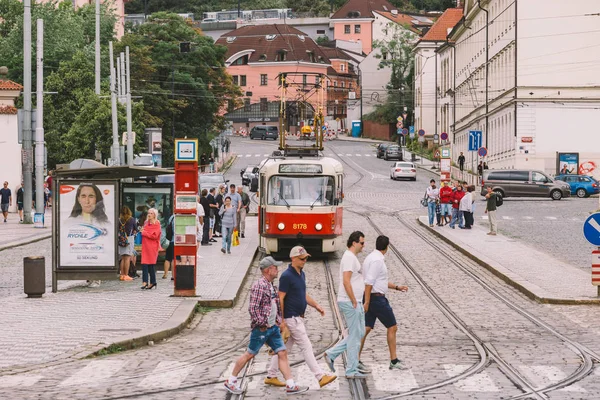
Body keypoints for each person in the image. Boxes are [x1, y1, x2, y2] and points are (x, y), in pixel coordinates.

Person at [224, 257, 309, 395]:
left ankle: (290, 384)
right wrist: (262, 324)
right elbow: (253, 308)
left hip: (273, 328)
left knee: (282, 352)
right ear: (268, 270)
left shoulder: (271, 285)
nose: (277, 270)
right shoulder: (259, 286)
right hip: (262, 328)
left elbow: (274, 305)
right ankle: (231, 381)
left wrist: (279, 321)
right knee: (250, 354)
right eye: (275, 267)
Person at [265, 248, 337, 389]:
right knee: (306, 346)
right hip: (291, 317)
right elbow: (281, 298)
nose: (305, 261)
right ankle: (320, 376)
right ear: (293, 259)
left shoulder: (301, 274)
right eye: (302, 258)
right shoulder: (286, 276)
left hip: (297, 316)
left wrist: (316, 305)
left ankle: (271, 375)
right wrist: (282, 320)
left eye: (306, 258)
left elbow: (303, 294)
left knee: (283, 348)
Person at [359, 235, 409, 370]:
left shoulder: (370, 257)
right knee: (392, 327)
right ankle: (394, 360)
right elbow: (369, 282)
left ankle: (355, 359)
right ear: (387, 247)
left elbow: (378, 281)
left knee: (366, 329)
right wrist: (367, 302)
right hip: (376, 299)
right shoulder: (377, 261)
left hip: (371, 297)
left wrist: (397, 287)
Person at [325, 231, 367, 378]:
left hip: (355, 301)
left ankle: (331, 354)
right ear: (354, 243)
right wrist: (354, 300)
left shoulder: (352, 257)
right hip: (350, 301)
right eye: (362, 243)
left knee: (359, 333)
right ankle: (351, 370)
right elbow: (346, 280)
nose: (363, 246)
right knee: (355, 337)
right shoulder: (349, 258)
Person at [140, 208, 161, 290]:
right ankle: (147, 282)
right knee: (145, 263)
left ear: (154, 215)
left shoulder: (157, 224)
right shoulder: (146, 223)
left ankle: (151, 282)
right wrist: (143, 231)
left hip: (152, 247)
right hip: (145, 246)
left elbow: (155, 236)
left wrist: (144, 233)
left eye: (151, 213)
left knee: (150, 264)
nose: (149, 215)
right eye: (148, 213)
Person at [118, 206, 136, 281]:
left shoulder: (119, 220)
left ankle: (122, 275)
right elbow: (135, 229)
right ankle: (126, 275)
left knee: (123, 258)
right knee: (127, 258)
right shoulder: (132, 219)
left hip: (121, 239)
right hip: (129, 239)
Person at [163, 213, 175, 279]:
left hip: (169, 240)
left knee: (167, 258)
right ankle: (173, 275)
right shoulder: (179, 217)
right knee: (174, 259)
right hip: (175, 241)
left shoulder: (172, 217)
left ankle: (165, 274)